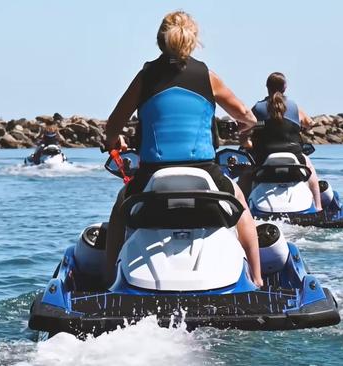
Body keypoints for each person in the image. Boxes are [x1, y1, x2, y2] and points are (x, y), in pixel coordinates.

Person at [104, 11, 263, 287]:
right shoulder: (207, 76)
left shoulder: (145, 77)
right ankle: (258, 279)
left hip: (151, 176)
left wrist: (113, 139)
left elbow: (113, 124)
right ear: (193, 41)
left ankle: (107, 280)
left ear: (160, 41)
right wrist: (245, 126)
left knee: (120, 209)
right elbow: (246, 114)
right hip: (205, 172)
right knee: (241, 205)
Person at [247, 72, 323, 212]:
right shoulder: (294, 107)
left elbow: (248, 126)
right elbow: (308, 123)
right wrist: (307, 125)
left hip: (264, 157)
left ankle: (244, 209)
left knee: (246, 172)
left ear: (267, 87)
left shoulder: (257, 108)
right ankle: (318, 207)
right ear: (285, 87)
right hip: (294, 155)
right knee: (310, 169)